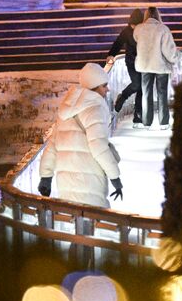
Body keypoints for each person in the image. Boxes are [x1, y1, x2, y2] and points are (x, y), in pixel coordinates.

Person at [37, 62, 123, 208]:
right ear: (94, 87)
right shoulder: (95, 109)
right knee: (94, 223)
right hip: (90, 182)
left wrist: (46, 177)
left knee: (72, 223)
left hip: (66, 184)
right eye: (104, 85)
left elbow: (52, 145)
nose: (107, 89)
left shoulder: (66, 109)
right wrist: (115, 177)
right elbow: (99, 147)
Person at [132, 6, 179, 127]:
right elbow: (168, 49)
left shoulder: (138, 29)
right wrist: (175, 59)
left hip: (145, 65)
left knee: (146, 93)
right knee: (162, 93)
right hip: (160, 65)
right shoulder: (163, 29)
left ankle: (147, 122)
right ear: (158, 15)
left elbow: (136, 41)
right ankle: (163, 122)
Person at [106, 9, 144, 118]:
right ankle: (123, 96)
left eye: (136, 25)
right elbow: (118, 43)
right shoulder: (127, 31)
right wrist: (111, 54)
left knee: (141, 88)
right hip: (131, 62)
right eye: (132, 25)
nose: (134, 27)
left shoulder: (144, 31)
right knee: (137, 84)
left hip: (143, 62)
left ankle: (138, 115)